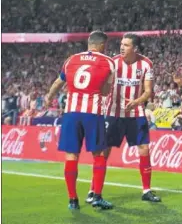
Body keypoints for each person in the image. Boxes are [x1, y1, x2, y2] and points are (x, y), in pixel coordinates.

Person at [43, 31, 115, 211]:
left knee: (71, 156)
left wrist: (49, 96)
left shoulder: (71, 60)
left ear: (89, 43)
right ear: (101, 45)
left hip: (71, 113)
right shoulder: (108, 62)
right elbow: (105, 91)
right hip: (92, 113)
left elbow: (58, 83)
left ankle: (72, 200)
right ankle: (97, 196)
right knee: (98, 154)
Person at [85, 33, 161, 204]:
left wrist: (137, 102)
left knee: (144, 148)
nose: (122, 47)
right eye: (121, 44)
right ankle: (93, 190)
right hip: (113, 113)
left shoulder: (146, 64)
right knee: (104, 151)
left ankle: (146, 190)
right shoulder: (112, 63)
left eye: (126, 45)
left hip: (136, 113)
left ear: (135, 48)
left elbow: (148, 91)